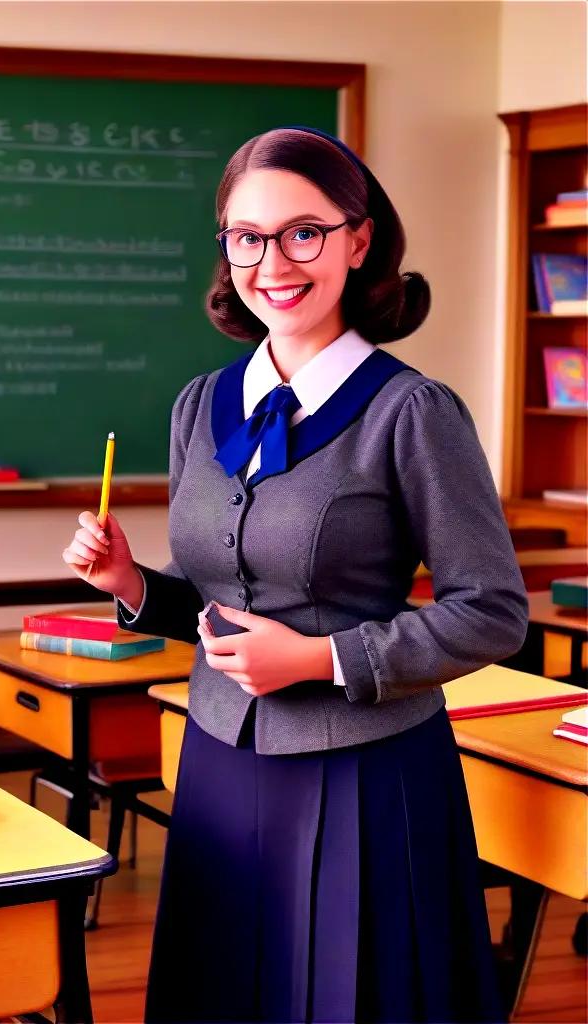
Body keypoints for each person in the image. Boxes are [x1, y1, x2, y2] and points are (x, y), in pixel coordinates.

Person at [62, 125, 528, 1023]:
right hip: (221, 767)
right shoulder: (200, 405)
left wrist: (320, 661)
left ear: (359, 240)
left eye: (303, 232)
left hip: (365, 775)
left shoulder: (413, 412)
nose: (274, 261)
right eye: (248, 236)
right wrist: (131, 583)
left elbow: (494, 611)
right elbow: (227, 606)